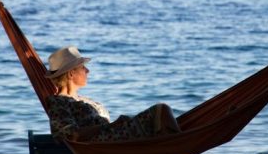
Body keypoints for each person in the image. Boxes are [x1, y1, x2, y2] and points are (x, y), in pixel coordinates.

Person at [44, 45, 181, 143]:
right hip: (105, 147)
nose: (87, 71)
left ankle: (170, 145)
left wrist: (116, 125)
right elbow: (71, 135)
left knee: (161, 116)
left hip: (115, 140)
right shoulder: (59, 103)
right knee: (161, 110)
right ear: (71, 73)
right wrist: (112, 126)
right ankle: (178, 144)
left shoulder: (83, 100)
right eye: (83, 67)